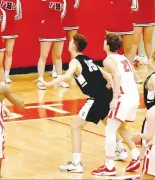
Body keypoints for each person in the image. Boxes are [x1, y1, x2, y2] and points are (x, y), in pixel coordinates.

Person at [41, 33, 113, 172]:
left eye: (70, 42)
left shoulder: (75, 61)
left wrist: (49, 84)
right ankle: (121, 149)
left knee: (75, 126)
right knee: (108, 124)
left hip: (96, 97)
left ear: (73, 45)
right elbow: (107, 75)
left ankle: (76, 163)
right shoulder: (89, 59)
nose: (68, 43)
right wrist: (110, 82)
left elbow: (67, 76)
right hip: (105, 95)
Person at [92, 34, 140, 176]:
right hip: (133, 95)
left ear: (107, 45)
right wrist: (112, 82)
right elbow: (135, 75)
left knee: (110, 130)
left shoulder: (108, 60)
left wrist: (115, 96)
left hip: (123, 97)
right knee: (122, 127)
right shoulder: (123, 58)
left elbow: (118, 75)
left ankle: (109, 166)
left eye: (104, 41)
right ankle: (136, 155)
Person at [104, 0, 141, 84]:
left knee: (129, 51)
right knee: (113, 52)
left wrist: (126, 9)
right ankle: (111, 76)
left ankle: (129, 74)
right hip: (114, 25)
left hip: (127, 25)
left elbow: (135, 6)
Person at [41, 0, 80, 79]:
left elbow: (76, 4)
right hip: (59, 20)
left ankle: (73, 69)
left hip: (72, 19)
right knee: (56, 45)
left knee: (73, 45)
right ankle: (55, 69)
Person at [33, 0, 69, 89]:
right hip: (46, 31)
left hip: (58, 30)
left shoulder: (63, 0)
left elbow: (63, 14)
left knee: (58, 56)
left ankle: (60, 79)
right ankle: (40, 80)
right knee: (43, 56)